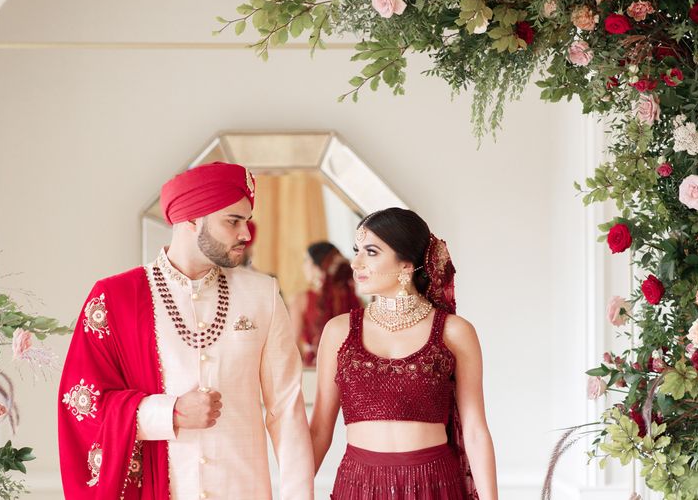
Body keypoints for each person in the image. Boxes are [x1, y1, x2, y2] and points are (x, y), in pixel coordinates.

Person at [58, 162, 314, 499]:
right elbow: (81, 405)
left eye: (246, 221)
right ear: (191, 219)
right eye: (233, 221)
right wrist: (170, 413)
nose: (246, 234)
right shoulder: (115, 298)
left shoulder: (261, 294)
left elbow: (286, 411)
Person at [309, 208, 497, 500]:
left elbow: (474, 430)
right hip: (359, 486)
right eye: (357, 251)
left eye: (371, 252)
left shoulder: (454, 332)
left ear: (406, 266)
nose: (356, 262)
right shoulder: (339, 331)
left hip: (434, 486)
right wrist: (292, 489)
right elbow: (320, 428)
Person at [288, 242, 361, 366]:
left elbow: (293, 346)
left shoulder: (300, 300)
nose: (303, 266)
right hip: (351, 367)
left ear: (317, 266)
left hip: (314, 368)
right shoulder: (353, 298)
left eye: (306, 260)